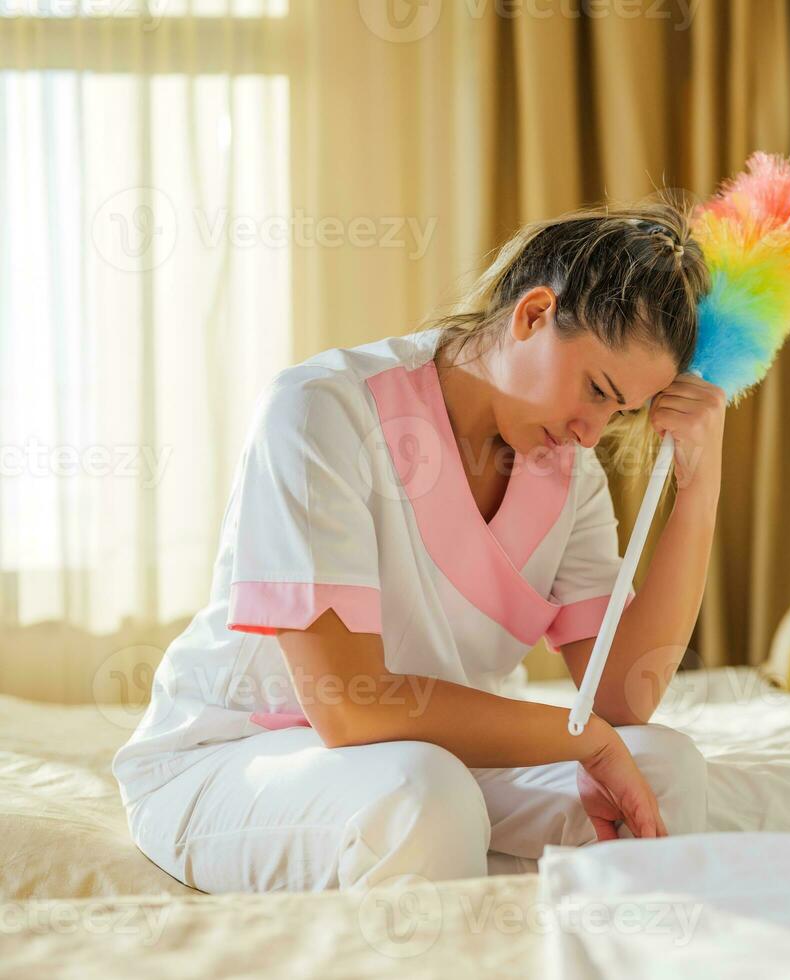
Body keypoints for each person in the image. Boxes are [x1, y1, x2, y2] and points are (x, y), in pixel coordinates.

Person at [112, 201, 725, 892]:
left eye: (620, 412)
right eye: (595, 390)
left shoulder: (570, 474)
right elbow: (349, 706)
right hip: (244, 752)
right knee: (426, 799)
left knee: (665, 766)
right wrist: (581, 738)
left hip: (434, 756)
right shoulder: (322, 409)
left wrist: (699, 490)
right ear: (532, 315)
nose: (592, 432)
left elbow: (618, 700)